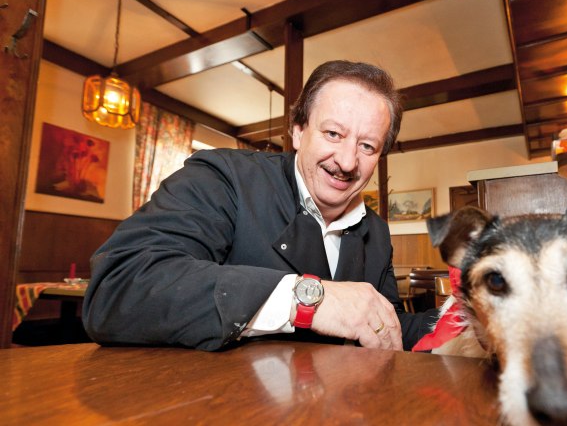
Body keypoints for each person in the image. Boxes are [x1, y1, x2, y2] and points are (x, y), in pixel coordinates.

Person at [83, 60, 438, 352]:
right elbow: (117, 288)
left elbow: (385, 323)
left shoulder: (375, 230)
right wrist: (307, 300)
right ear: (298, 131)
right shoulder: (225, 177)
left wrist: (458, 322)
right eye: (333, 134)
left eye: (367, 146)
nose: (346, 161)